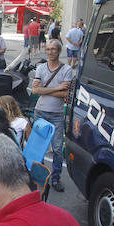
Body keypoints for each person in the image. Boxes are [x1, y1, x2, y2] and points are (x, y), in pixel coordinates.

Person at [31, 39, 74, 192]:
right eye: (48, 49)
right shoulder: (41, 68)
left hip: (56, 114)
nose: (50, 52)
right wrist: (56, 88)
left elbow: (65, 93)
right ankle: (40, 178)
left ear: (59, 51)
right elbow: (35, 91)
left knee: (56, 149)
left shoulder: (67, 70)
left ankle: (55, 178)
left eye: (53, 49)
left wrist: (45, 88)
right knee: (39, 148)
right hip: (40, 111)